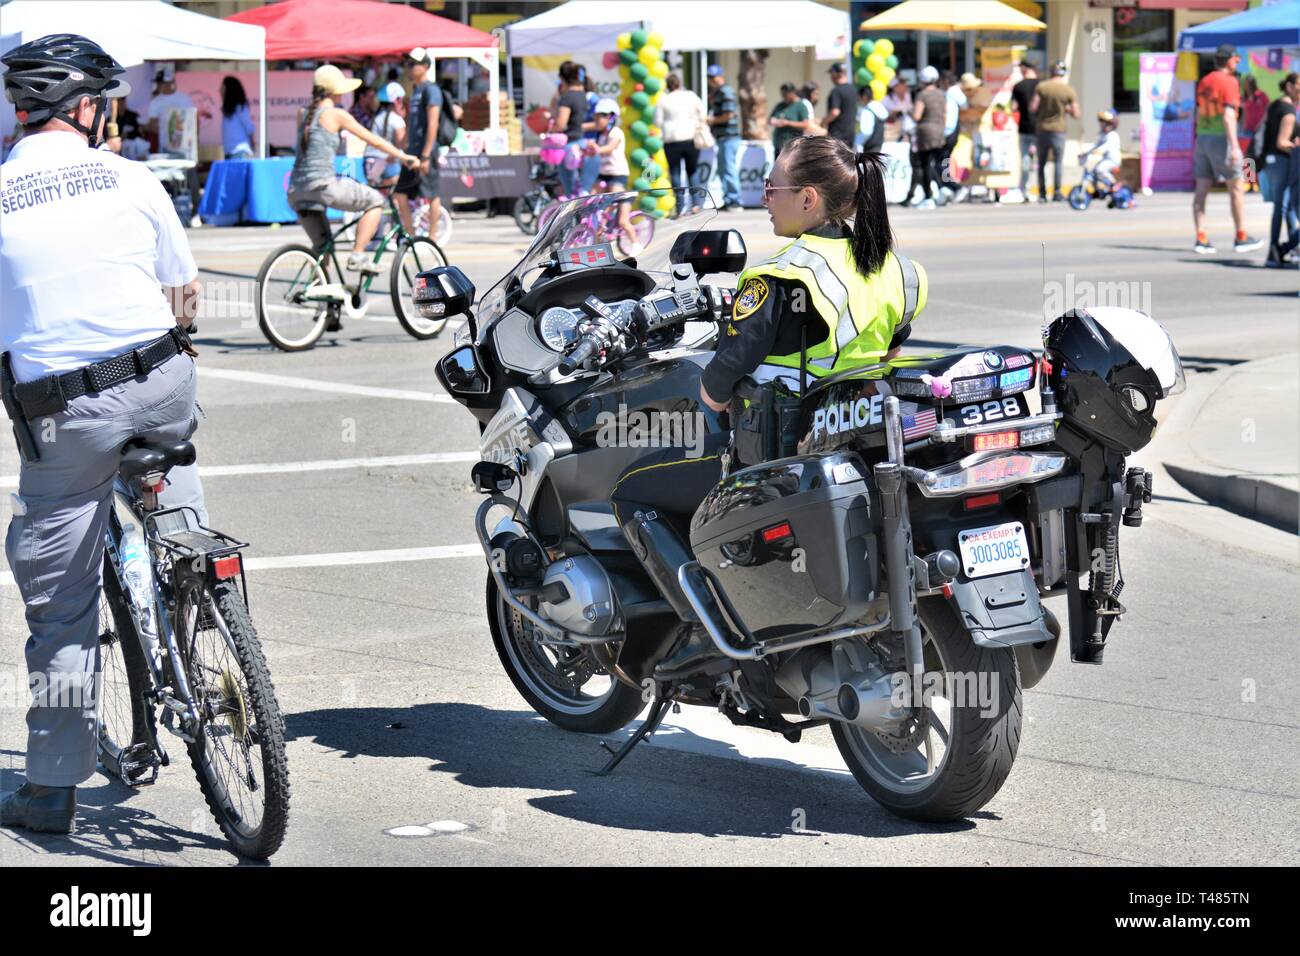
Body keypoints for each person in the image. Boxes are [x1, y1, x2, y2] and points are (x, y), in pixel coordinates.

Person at [609, 136, 926, 678]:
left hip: (779, 444)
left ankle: (704, 630)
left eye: (771, 188)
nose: (764, 199)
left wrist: (711, 402)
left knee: (634, 491)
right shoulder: (897, 268)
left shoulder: (784, 273)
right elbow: (892, 345)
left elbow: (725, 372)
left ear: (808, 199)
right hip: (856, 433)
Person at [0, 34, 208, 834]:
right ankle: (202, 616)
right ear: (83, 108)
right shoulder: (131, 176)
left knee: (61, 611)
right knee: (176, 500)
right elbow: (183, 294)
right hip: (162, 382)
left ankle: (52, 788)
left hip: (64, 414)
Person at [288, 64, 417, 274]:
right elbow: (374, 140)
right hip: (323, 186)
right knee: (376, 200)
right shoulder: (336, 115)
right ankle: (357, 254)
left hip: (296, 190)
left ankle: (318, 295)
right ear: (335, 91)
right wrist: (404, 156)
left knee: (322, 248)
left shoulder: (302, 113)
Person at [1191, 45, 1263, 254]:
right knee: (1236, 187)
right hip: (1221, 138)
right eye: (1236, 59)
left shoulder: (1205, 81)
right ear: (1230, 60)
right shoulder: (1230, 82)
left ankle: (1201, 238)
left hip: (1202, 137)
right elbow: (1228, 115)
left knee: (1201, 189)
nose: (1238, 63)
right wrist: (1233, 146)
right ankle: (1241, 235)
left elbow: (1198, 112)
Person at [396, 47, 446, 241]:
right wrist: (402, 146)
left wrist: (425, 155)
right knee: (400, 194)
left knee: (431, 194)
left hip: (426, 152)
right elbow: (410, 124)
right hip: (412, 152)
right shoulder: (416, 91)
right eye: (407, 64)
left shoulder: (431, 90)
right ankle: (411, 236)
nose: (409, 67)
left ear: (425, 66)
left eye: (413, 64)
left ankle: (432, 238)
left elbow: (433, 123)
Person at [1260, 72, 1299, 267]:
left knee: (1286, 206)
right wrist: (1296, 145)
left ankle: (1288, 248)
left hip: (1270, 161)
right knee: (1283, 206)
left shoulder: (1275, 105)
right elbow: (1282, 142)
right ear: (1290, 86)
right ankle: (1275, 249)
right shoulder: (1289, 111)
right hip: (1282, 162)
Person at [591, 99, 639, 250]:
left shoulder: (616, 132)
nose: (596, 120)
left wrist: (595, 149)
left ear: (610, 117)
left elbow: (610, 148)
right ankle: (597, 236)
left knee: (617, 215)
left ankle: (635, 244)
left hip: (617, 174)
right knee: (589, 200)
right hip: (603, 174)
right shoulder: (600, 135)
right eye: (596, 117)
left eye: (600, 117)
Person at [1030, 60, 1079, 202]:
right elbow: (1076, 114)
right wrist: (1066, 109)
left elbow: (1033, 107)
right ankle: (1057, 192)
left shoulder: (1042, 87)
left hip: (1042, 128)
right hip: (1059, 130)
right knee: (1058, 162)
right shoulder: (1068, 90)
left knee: (1041, 162)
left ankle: (1042, 193)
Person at [656, 73, 707, 206]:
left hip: (671, 140)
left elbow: (657, 121)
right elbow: (703, 113)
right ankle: (696, 204)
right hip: (690, 138)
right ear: (680, 83)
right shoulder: (690, 96)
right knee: (693, 170)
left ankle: (680, 206)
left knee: (675, 172)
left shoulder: (663, 100)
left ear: (667, 86)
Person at [903, 65, 946, 208]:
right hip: (939, 131)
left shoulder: (922, 95)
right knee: (934, 163)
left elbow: (916, 116)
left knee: (925, 165)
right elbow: (945, 114)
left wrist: (908, 111)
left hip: (925, 132)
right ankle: (942, 189)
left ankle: (929, 197)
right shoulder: (941, 94)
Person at [548, 60, 590, 197]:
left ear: (562, 78)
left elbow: (561, 124)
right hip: (582, 143)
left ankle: (576, 217)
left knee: (571, 191)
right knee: (581, 190)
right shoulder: (582, 96)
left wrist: (550, 129)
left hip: (569, 147)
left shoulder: (567, 97)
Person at [706, 65, 742, 211]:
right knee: (723, 170)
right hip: (723, 137)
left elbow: (729, 115)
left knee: (728, 169)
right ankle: (729, 199)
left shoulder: (726, 91)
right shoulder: (718, 92)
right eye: (709, 78)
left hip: (729, 136)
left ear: (721, 76)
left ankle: (735, 201)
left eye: (713, 77)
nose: (711, 81)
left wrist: (712, 120)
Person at [365, 81, 407, 187]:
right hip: (388, 162)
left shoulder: (375, 117)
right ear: (397, 101)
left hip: (368, 162)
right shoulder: (397, 120)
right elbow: (401, 144)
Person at [1011, 59, 1039, 200]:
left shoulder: (1018, 86)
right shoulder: (1041, 85)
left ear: (1024, 68)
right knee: (1039, 161)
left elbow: (1013, 107)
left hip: (1024, 127)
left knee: (1026, 161)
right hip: (1040, 128)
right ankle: (1040, 190)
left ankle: (1025, 189)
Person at [1079, 109, 1123, 197]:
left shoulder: (1113, 135)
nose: (1101, 125)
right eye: (1101, 122)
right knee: (1094, 171)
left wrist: (1100, 150)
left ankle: (1113, 183)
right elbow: (1095, 146)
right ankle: (1097, 190)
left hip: (1113, 160)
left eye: (1104, 123)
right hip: (1106, 159)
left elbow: (1107, 146)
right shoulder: (1103, 135)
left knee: (1100, 169)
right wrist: (1086, 153)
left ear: (1110, 124)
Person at [769, 83, 810, 157]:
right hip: (779, 144)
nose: (783, 97)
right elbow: (770, 119)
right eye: (782, 95)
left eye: (785, 95)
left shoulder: (801, 106)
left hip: (792, 146)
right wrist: (773, 121)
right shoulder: (780, 105)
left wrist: (787, 123)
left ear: (792, 93)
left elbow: (805, 124)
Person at [823, 63, 858, 149]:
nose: (831, 77)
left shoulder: (837, 91)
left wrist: (824, 122)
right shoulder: (853, 89)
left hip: (837, 135)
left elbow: (835, 112)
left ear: (835, 74)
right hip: (850, 134)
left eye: (831, 74)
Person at [220, 75, 255, 159]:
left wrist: (252, 144)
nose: (220, 90)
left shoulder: (240, 106)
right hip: (229, 151)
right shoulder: (227, 109)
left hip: (240, 150)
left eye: (223, 87)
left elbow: (249, 127)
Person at [1238, 74, 1269, 167]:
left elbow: (1267, 110)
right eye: (1246, 85)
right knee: (1247, 155)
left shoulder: (1261, 95)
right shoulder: (1244, 98)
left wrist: (1261, 124)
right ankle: (1249, 178)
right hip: (1247, 130)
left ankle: (1258, 176)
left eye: (1249, 84)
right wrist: (1241, 127)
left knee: (1258, 152)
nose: (1247, 87)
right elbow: (1243, 114)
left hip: (1260, 130)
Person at [855, 83, 888, 153]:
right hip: (878, 144)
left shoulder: (867, 111)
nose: (859, 100)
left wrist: (857, 143)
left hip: (869, 146)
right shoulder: (879, 107)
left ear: (864, 96)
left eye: (859, 97)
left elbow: (866, 132)